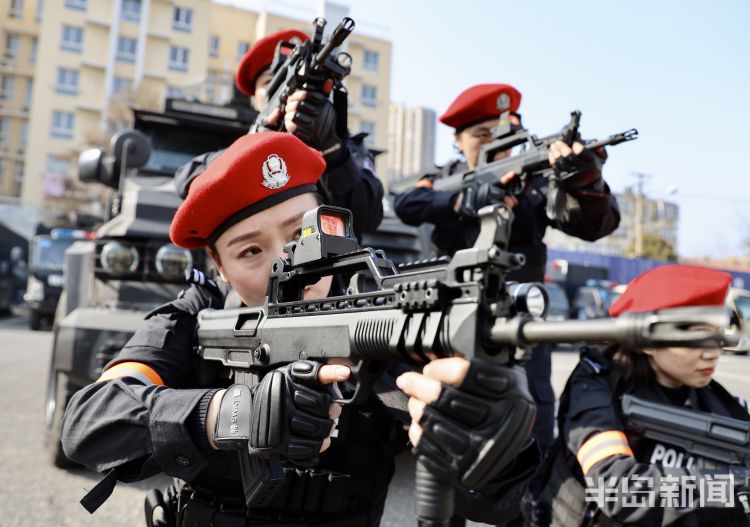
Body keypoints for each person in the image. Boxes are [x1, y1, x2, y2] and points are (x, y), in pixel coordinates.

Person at [60, 132, 540, 527]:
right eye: (251, 251)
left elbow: (491, 503)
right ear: (218, 266)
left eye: (301, 237)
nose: (285, 266)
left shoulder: (382, 324)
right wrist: (229, 413)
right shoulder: (193, 317)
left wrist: (491, 446)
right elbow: (87, 422)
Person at [394, 83, 621, 456]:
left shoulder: (533, 183)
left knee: (531, 434)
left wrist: (587, 184)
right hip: (448, 324)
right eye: (481, 135)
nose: (493, 143)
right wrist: (462, 201)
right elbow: (407, 203)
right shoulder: (444, 178)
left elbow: (595, 226)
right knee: (442, 438)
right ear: (458, 139)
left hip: (519, 326)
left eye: (502, 135)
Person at [535, 265, 750, 526]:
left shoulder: (718, 404)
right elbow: (618, 488)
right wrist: (738, 488)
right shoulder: (598, 385)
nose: (712, 352)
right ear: (648, 340)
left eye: (717, 336)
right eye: (698, 337)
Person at [175, 29, 383, 240]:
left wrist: (334, 153)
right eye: (268, 82)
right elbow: (185, 181)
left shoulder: (346, 148)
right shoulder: (236, 147)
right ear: (254, 99)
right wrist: (255, 146)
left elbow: (368, 217)